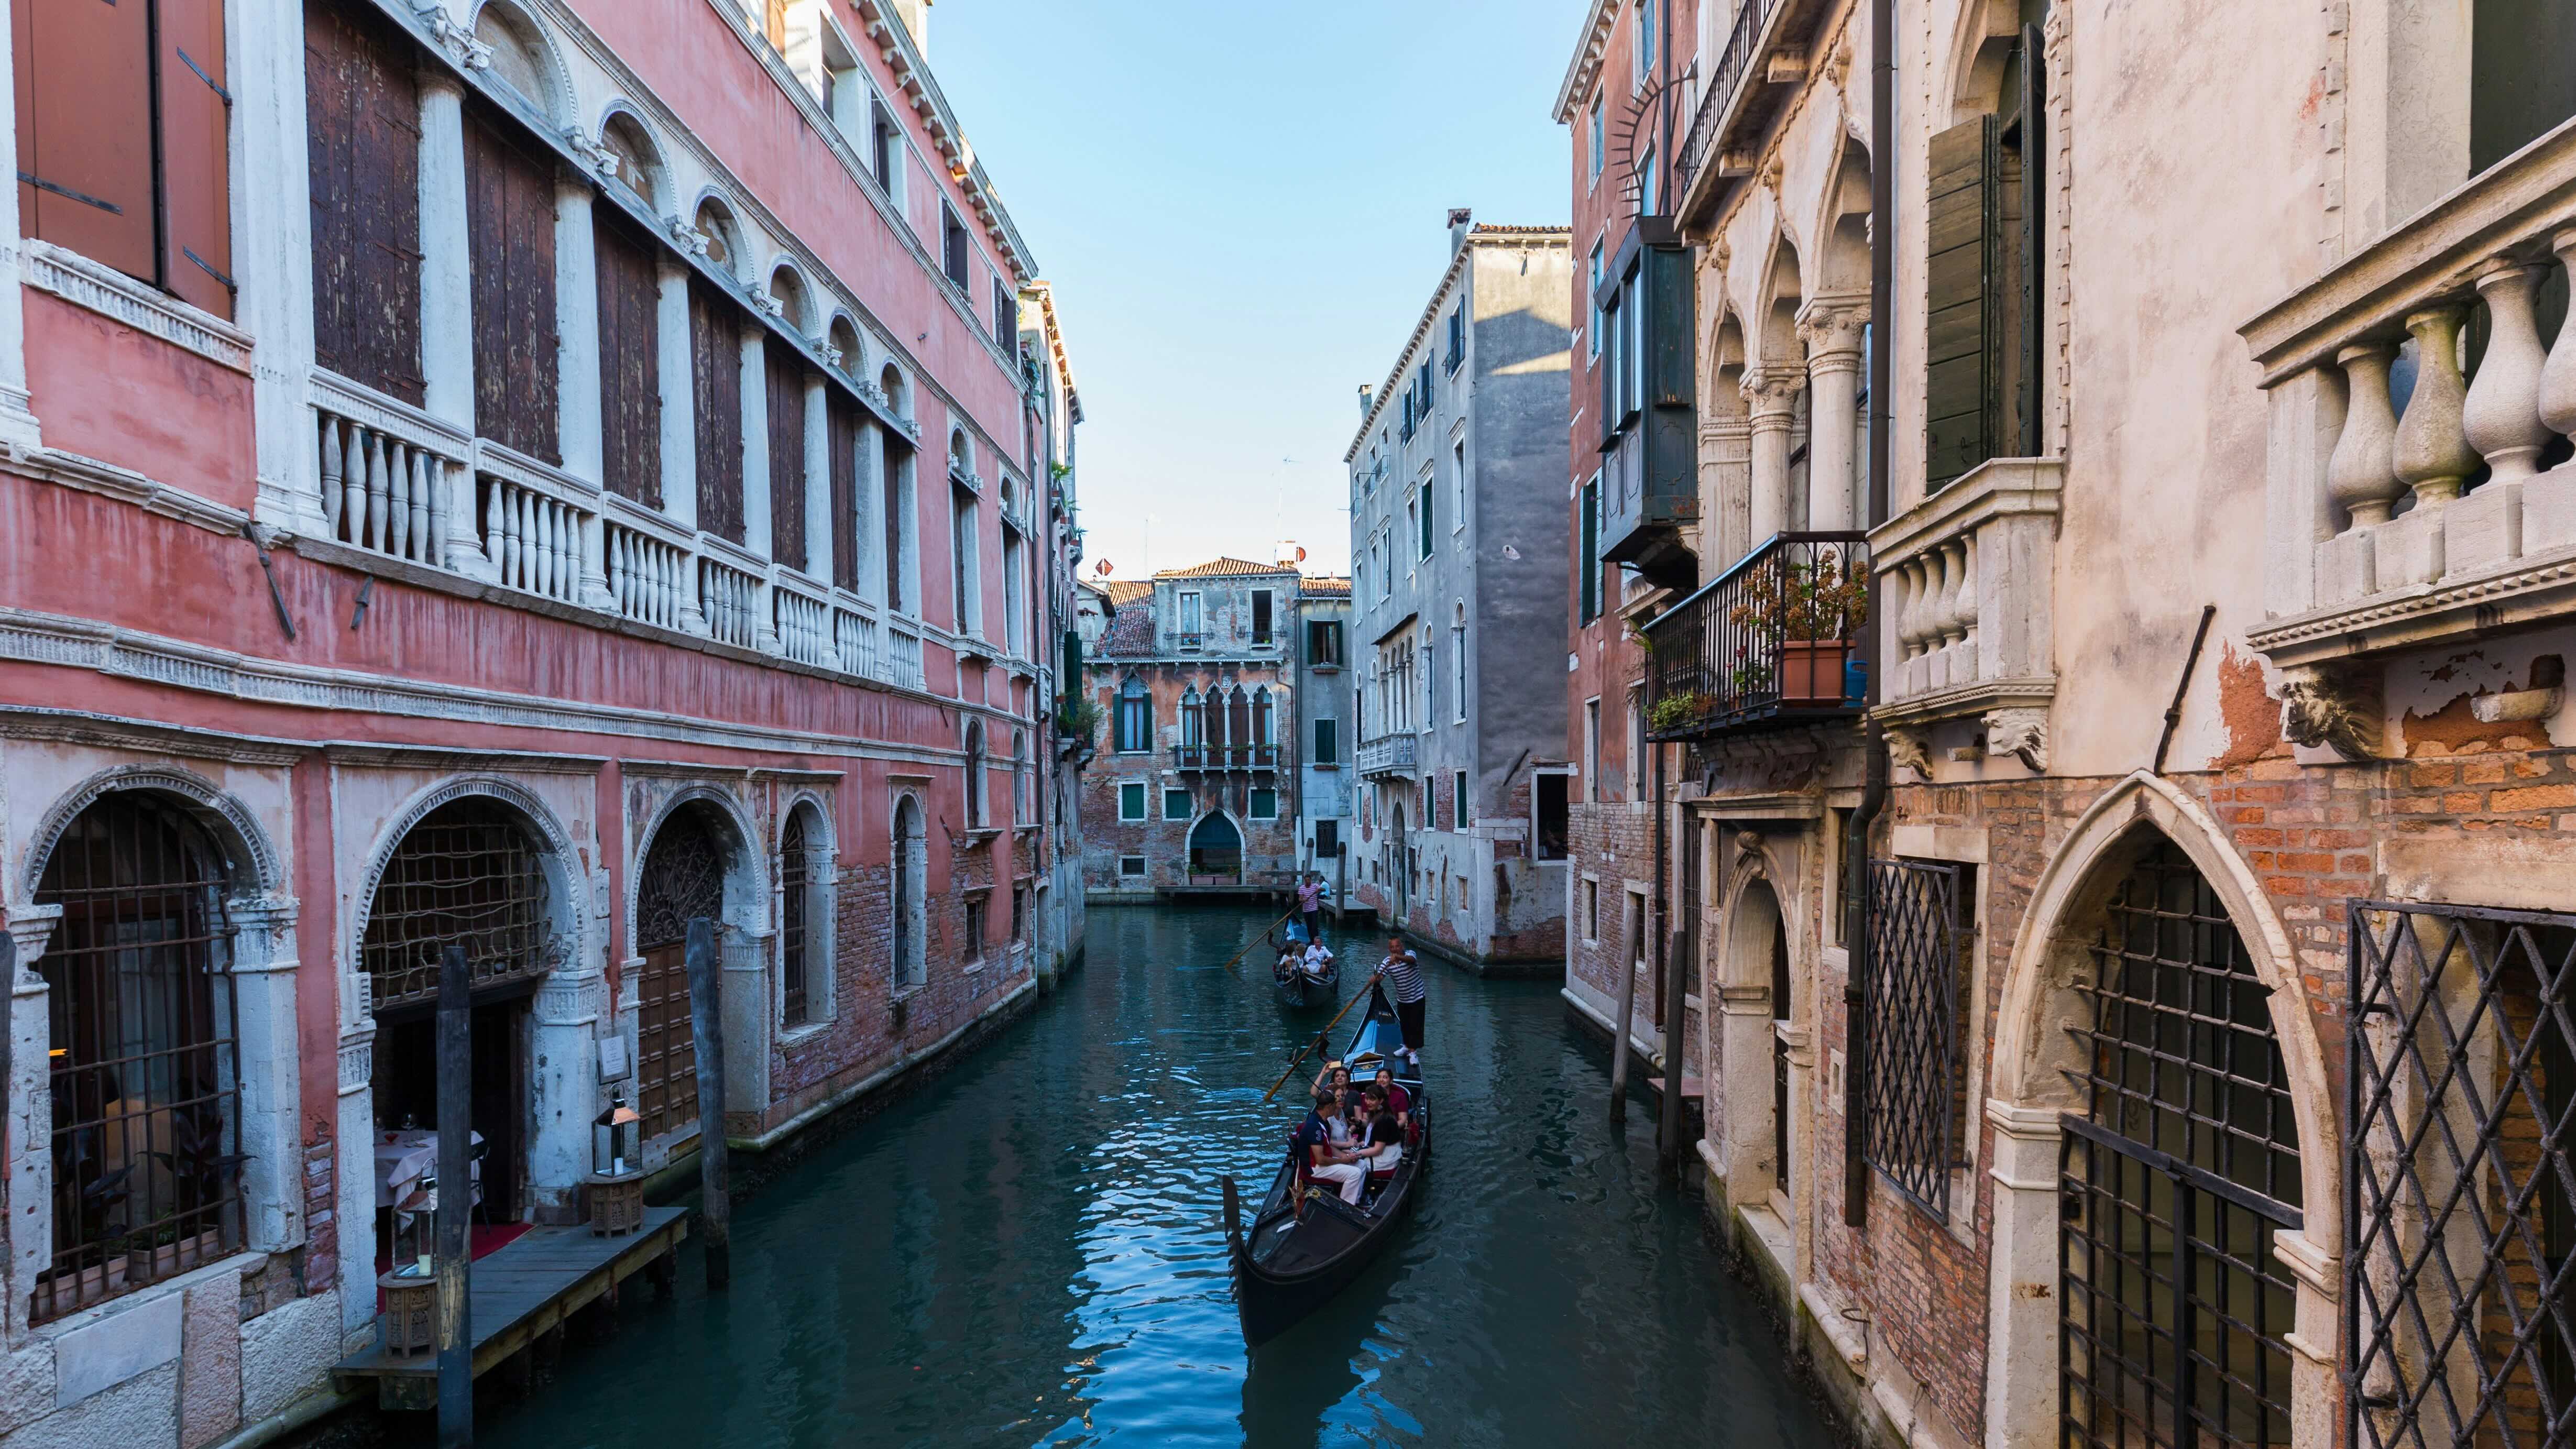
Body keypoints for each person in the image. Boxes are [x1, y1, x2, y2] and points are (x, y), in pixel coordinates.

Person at [1297, 1081, 1367, 1204]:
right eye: (1334, 1106)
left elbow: (1328, 1146)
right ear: (1329, 1107)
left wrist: (1345, 1156)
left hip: (1324, 1160)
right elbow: (1320, 1160)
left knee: (1361, 1165)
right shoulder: (1315, 1126)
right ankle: (1345, 1207)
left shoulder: (1324, 1122)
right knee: (1355, 1173)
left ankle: (1354, 1201)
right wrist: (1343, 1160)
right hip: (1314, 1168)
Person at [1379, 936, 1427, 1066]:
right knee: (1405, 1025)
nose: (1395, 949)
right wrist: (1375, 979)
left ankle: (1413, 1053)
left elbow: (1412, 961)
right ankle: (1406, 1047)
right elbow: (1380, 977)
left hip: (1417, 997)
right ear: (1389, 949)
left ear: (1402, 947)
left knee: (1415, 1025)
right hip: (1403, 999)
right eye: (1392, 947)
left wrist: (1398, 958)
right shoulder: (1387, 962)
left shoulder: (1410, 955)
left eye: (1397, 946)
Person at [1371, 1065, 1412, 1129]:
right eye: (1379, 1077)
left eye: (1385, 1077)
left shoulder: (1400, 1097)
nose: (1381, 1080)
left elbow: (1403, 1120)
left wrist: (1390, 1130)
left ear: (1391, 1081)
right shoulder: (1371, 1096)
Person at [1295, 873, 1325, 945]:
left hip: (1314, 909)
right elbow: (1300, 899)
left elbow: (1324, 889)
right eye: (1306, 880)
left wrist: (1319, 889)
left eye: (1309, 880)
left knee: (1314, 925)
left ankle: (1317, 941)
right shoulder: (1302, 888)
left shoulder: (1315, 886)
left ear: (1311, 880)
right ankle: (1312, 941)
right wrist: (1304, 899)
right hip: (1306, 910)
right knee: (1309, 926)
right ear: (1304, 881)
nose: (1308, 881)